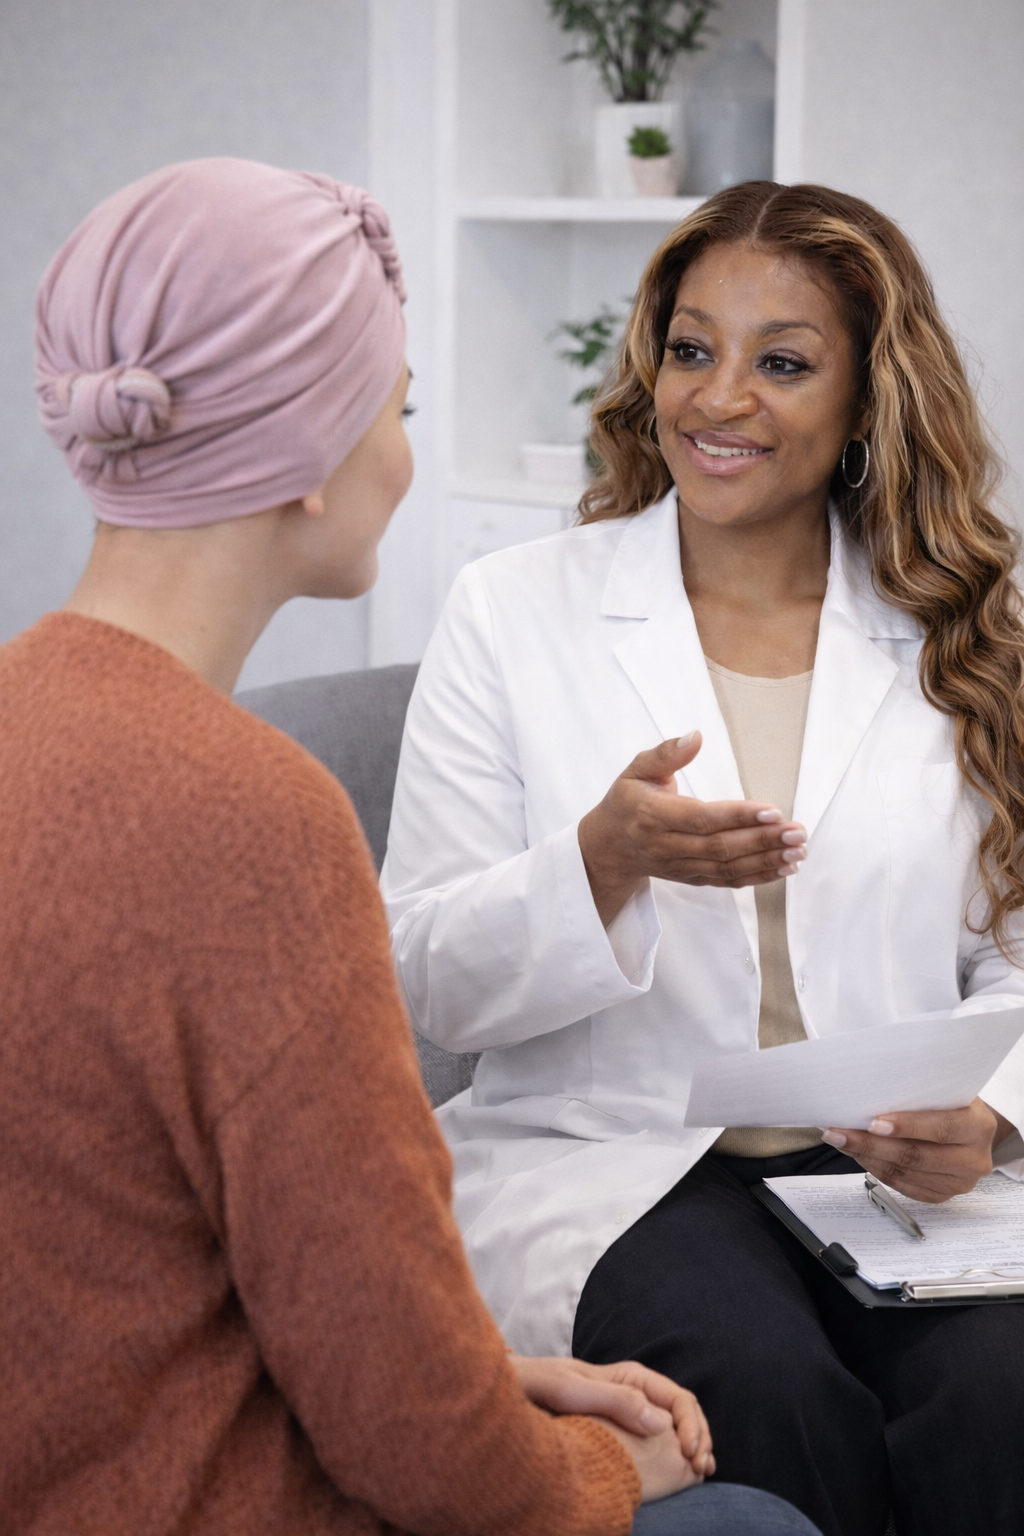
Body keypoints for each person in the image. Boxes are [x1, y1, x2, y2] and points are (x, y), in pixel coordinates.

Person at [0, 160, 815, 1536]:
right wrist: (595, 1470)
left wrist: (491, 1379)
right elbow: (411, 1431)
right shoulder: (253, 818)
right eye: (400, 409)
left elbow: (138, 1265)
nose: (404, 455)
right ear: (313, 460)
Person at [381, 179, 1024, 1536]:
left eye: (782, 362)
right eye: (691, 348)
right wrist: (598, 865)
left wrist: (990, 1118)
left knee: (999, 1392)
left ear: (867, 403)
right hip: (614, 1158)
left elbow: (1014, 962)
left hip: (888, 1170)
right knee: (764, 1390)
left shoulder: (962, 635)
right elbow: (423, 976)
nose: (717, 397)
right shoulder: (513, 612)